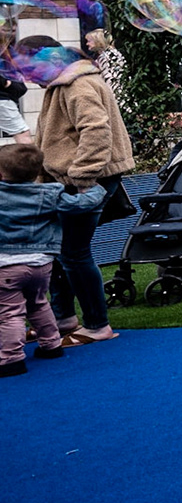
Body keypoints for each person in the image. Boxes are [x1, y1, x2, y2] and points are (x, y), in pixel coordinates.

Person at [20, 34, 133, 347]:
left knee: (73, 252)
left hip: (84, 180)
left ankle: (98, 325)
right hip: (70, 181)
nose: (27, 77)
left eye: (30, 69)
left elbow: (96, 131)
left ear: (52, 59)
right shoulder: (64, 83)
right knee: (59, 250)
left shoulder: (77, 84)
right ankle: (63, 320)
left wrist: (81, 179)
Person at [0, 145, 102, 378]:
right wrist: (95, 189)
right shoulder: (48, 193)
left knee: (10, 312)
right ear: (37, 172)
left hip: (5, 265)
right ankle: (51, 344)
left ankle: (11, 358)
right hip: (40, 263)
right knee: (38, 303)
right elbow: (79, 205)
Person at [0, 75, 31, 145]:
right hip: (3, 99)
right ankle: (28, 155)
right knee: (24, 137)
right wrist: (5, 83)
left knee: (24, 137)